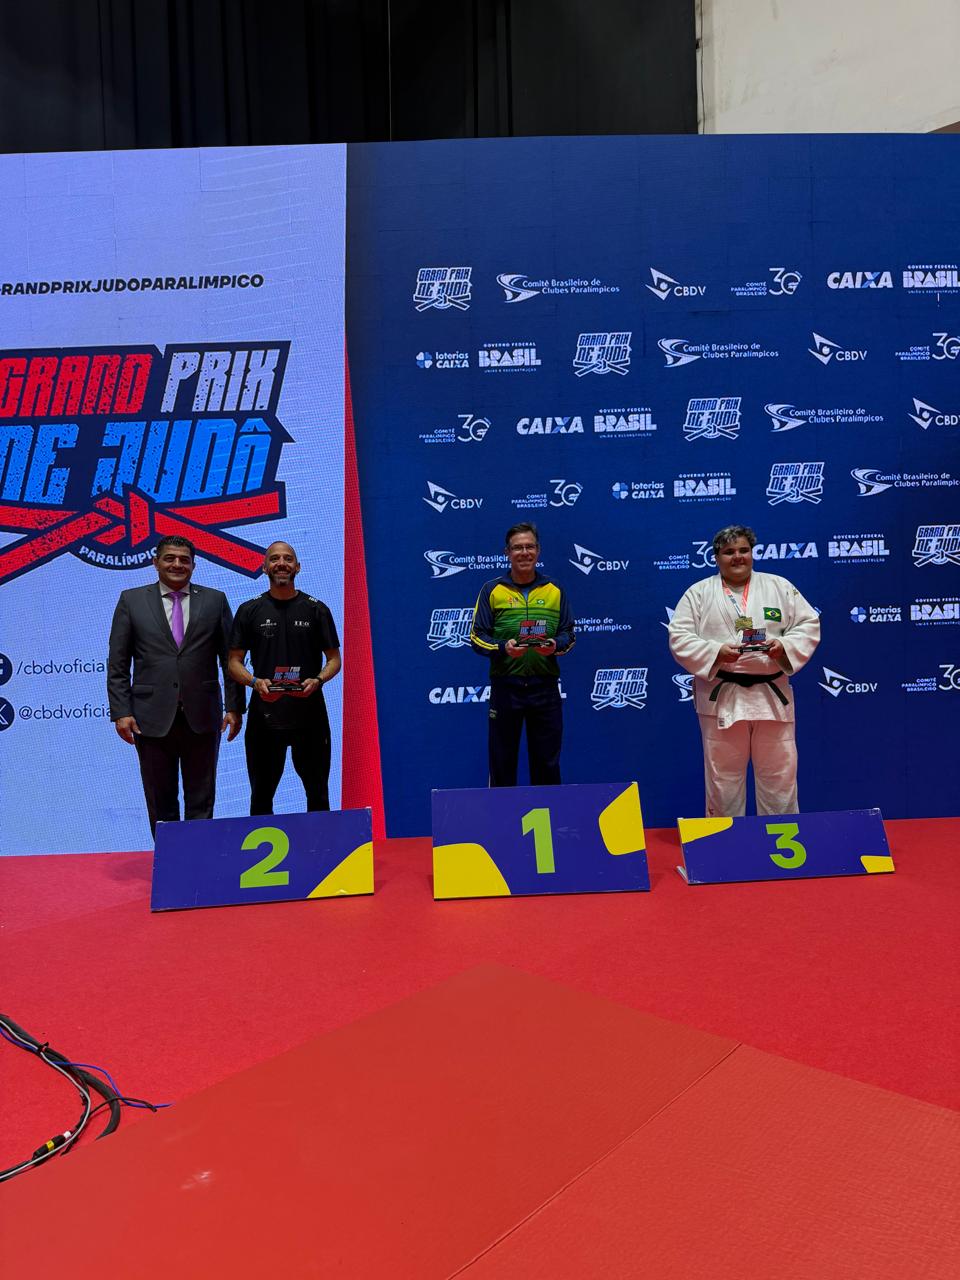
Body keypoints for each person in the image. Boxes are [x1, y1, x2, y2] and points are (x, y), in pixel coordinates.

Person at [668, 523, 820, 818]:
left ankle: (780, 842)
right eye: (729, 552)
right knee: (722, 780)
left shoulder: (779, 587)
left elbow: (808, 624)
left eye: (744, 550)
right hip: (722, 696)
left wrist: (784, 646)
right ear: (716, 557)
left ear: (752, 553)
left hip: (772, 695)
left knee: (779, 775)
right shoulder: (698, 594)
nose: (738, 557)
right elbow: (679, 637)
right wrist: (715, 652)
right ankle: (725, 841)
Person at [107, 534, 243, 837]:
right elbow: (118, 663)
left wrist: (235, 707)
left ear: (194, 565)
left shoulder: (215, 600)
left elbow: (230, 660)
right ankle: (169, 861)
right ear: (155, 563)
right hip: (149, 717)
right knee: (160, 799)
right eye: (169, 558)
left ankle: (197, 859)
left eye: (184, 560)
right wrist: (121, 711)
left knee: (202, 799)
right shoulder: (131, 600)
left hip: (203, 715)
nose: (177, 564)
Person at [228, 541, 341, 814]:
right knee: (261, 797)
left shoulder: (317, 609)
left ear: (297, 567)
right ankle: (263, 844)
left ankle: (320, 843)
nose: (281, 563)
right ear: (264, 567)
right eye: (275, 558)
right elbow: (233, 662)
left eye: (288, 559)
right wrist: (254, 682)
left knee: (318, 795)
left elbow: (334, 660)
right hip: (265, 716)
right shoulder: (249, 610)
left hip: (310, 715)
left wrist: (319, 680)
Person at [470, 522, 575, 787]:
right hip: (506, 688)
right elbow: (477, 637)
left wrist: (554, 645)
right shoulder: (492, 590)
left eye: (530, 547)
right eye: (518, 548)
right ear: (507, 552)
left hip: (545, 688)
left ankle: (548, 815)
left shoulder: (555, 589)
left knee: (547, 764)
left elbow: (568, 634)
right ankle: (502, 815)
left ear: (538, 551)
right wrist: (503, 648)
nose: (524, 552)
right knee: (502, 764)